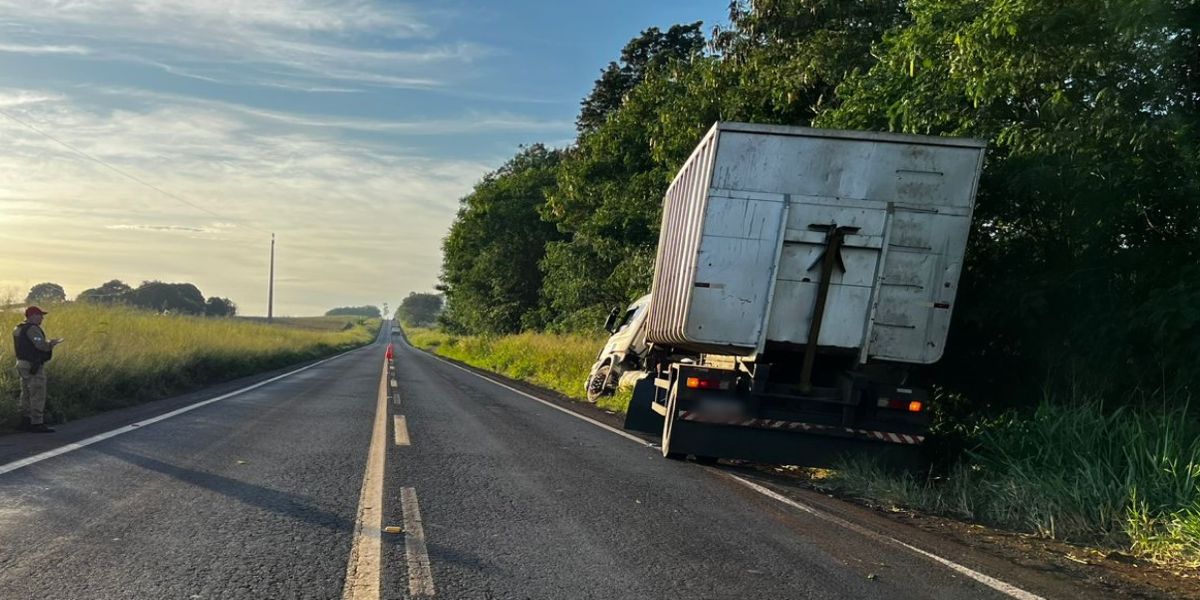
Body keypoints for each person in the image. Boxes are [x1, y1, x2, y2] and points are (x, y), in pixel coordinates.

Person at [12, 306, 63, 433]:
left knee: (25, 393)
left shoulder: (18, 328)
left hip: (21, 363)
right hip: (32, 365)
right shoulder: (32, 329)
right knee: (37, 393)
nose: (42, 318)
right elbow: (40, 345)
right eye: (40, 315)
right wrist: (51, 344)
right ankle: (37, 423)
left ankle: (25, 420)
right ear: (32, 316)